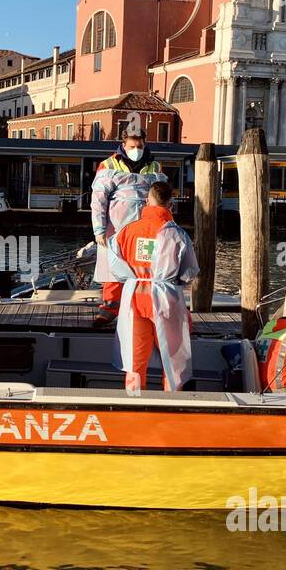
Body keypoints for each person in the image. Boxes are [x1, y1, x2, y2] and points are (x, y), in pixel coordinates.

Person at [106, 181, 200, 393]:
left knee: (135, 359)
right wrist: (171, 280)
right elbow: (189, 272)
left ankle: (134, 400)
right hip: (165, 299)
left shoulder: (126, 232)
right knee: (173, 360)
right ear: (170, 204)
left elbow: (115, 264)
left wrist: (133, 277)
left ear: (147, 201)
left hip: (135, 299)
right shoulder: (177, 234)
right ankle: (172, 402)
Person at [90, 127, 165, 324]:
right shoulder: (108, 164)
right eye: (132, 146)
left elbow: (162, 197)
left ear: (145, 144)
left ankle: (142, 309)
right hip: (116, 229)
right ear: (123, 144)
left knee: (144, 269)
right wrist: (99, 229)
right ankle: (109, 308)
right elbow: (98, 199)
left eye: (140, 146)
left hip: (145, 229)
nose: (136, 150)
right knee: (112, 269)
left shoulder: (155, 166)